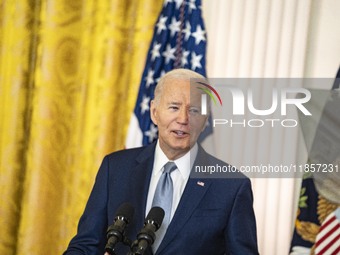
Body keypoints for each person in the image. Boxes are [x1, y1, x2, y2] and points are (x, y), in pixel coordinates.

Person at [64, 68, 259, 255]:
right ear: (154, 112)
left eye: (194, 111)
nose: (183, 119)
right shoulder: (115, 169)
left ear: (205, 120)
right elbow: (85, 245)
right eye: (174, 107)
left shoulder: (231, 186)